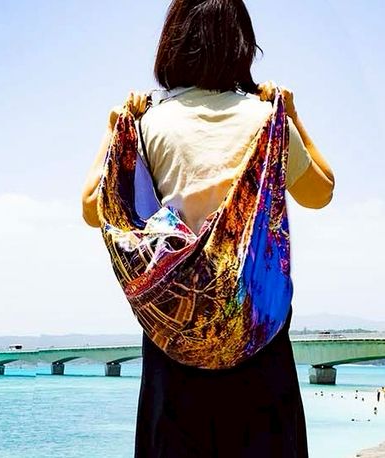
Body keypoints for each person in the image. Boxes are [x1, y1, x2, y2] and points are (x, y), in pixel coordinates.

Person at [80, 1, 335, 457]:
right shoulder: (267, 123)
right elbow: (321, 192)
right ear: (242, 45)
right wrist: (290, 115)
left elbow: (91, 208)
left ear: (173, 44)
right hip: (258, 341)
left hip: (173, 345)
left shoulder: (149, 125)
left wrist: (115, 128)